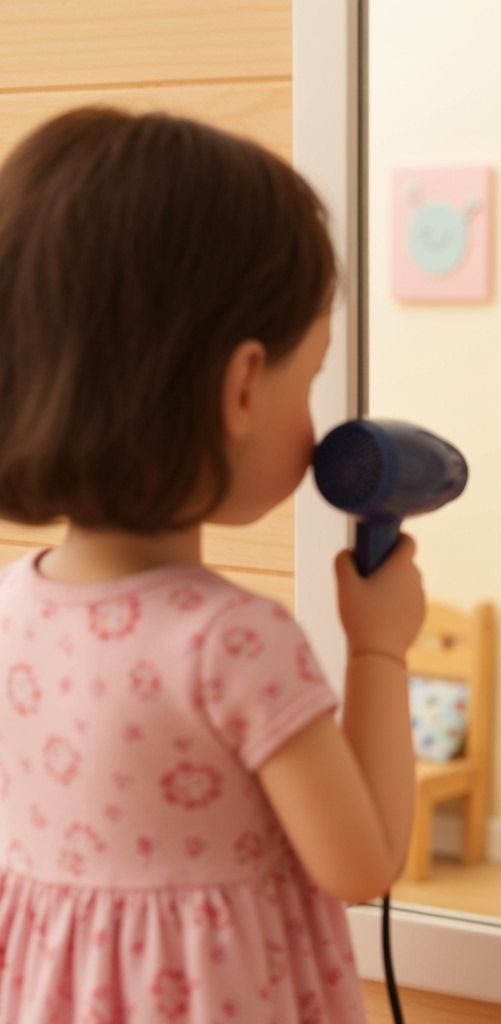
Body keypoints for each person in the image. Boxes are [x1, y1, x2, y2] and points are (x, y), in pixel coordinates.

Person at [0, 107, 424, 1022]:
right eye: (306, 382)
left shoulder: (10, 608)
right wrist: (379, 649)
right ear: (241, 389)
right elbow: (362, 862)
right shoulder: (231, 642)